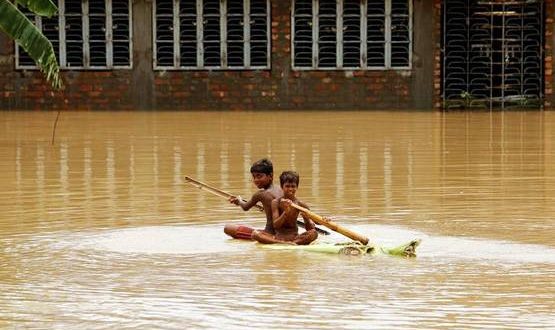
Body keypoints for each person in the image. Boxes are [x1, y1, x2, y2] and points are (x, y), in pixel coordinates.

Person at [251, 170, 318, 245]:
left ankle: (294, 243)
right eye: (287, 186)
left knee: (314, 233)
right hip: (278, 238)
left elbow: (309, 228)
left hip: (295, 238)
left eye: (293, 186)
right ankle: (282, 243)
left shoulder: (301, 205)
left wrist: (306, 219)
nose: (290, 189)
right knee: (255, 234)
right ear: (282, 187)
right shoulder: (275, 202)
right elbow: (276, 225)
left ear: (297, 187)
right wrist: (285, 213)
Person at [224, 158, 282, 239]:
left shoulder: (260, 194)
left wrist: (239, 200)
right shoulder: (281, 189)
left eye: (259, 176)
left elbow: (245, 207)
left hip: (269, 234)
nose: (256, 180)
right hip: (283, 234)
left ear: (270, 176)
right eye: (254, 177)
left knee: (228, 228)